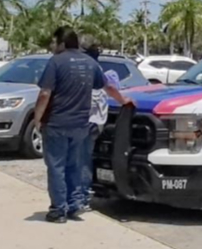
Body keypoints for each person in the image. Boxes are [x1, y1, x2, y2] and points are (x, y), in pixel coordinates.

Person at [33, 27, 131, 223]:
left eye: (54, 42)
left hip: (56, 124)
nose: (52, 46)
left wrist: (37, 119)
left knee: (56, 167)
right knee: (75, 166)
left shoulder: (55, 62)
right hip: (80, 124)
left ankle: (58, 210)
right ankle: (74, 204)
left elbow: (45, 94)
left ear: (61, 43)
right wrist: (124, 101)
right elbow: (108, 86)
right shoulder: (90, 63)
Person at [81, 37, 121, 214]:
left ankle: (80, 197)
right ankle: (81, 195)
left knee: (80, 161)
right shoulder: (97, 70)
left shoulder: (91, 70)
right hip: (93, 123)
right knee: (83, 160)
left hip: (89, 123)